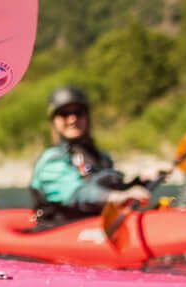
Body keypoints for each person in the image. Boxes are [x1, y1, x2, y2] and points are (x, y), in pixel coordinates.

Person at [28, 86, 170, 226]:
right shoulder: (52, 160)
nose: (72, 119)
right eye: (64, 114)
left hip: (96, 226)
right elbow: (76, 195)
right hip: (59, 229)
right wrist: (119, 197)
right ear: (54, 121)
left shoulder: (101, 158)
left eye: (78, 113)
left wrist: (142, 181)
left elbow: (115, 190)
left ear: (87, 117)